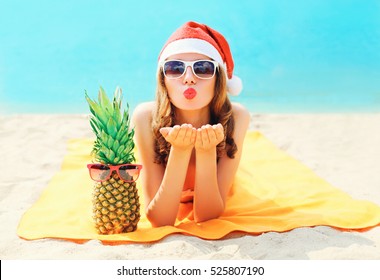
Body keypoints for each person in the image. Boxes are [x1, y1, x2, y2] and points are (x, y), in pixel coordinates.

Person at [132, 21, 250, 227]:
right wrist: (180, 150)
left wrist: (206, 152)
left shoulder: (236, 117)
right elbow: (160, 219)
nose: (188, 79)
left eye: (203, 68)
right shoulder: (145, 117)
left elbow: (206, 217)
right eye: (175, 68)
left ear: (219, 78)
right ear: (163, 79)